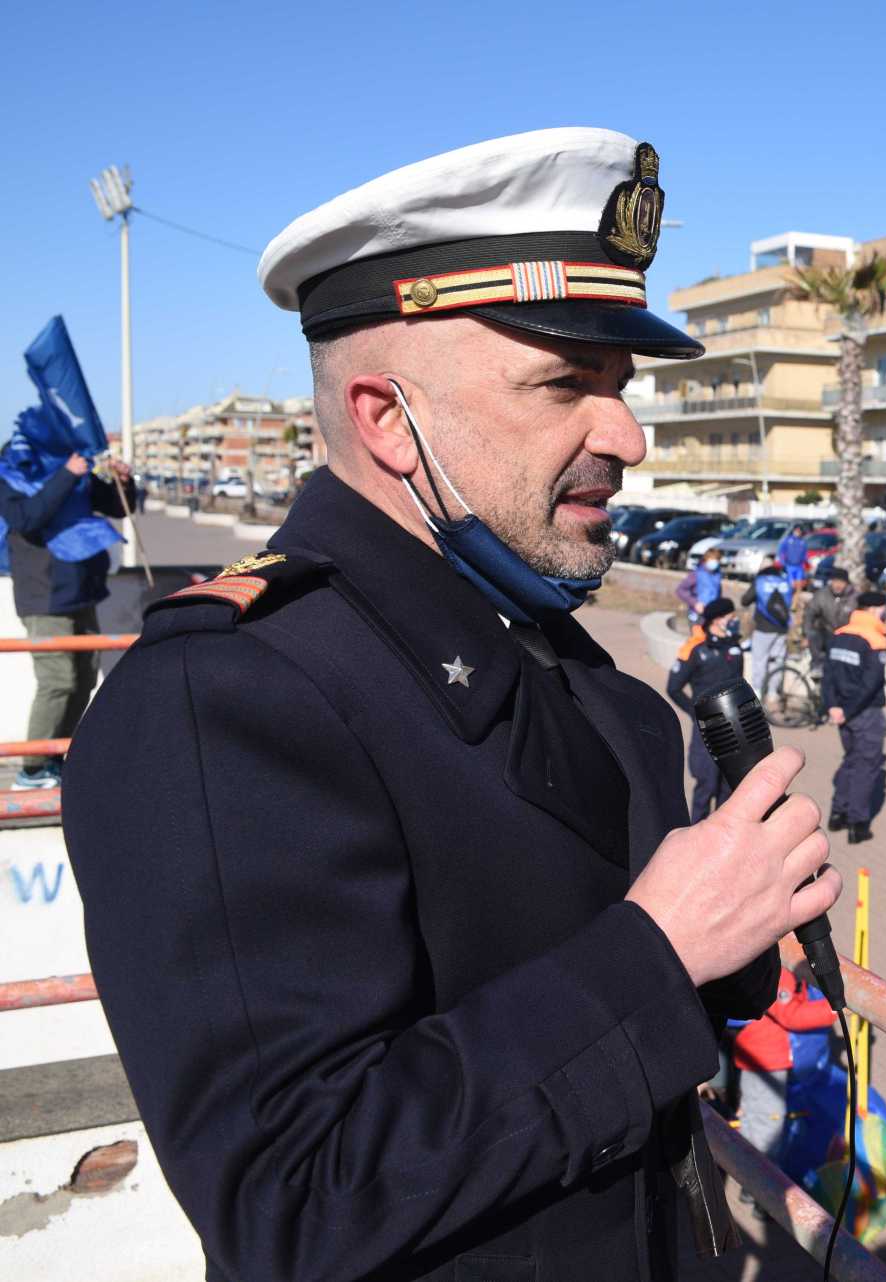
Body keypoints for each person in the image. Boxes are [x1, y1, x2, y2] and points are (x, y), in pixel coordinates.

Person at [61, 130, 840, 1281]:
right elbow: (289, 1196)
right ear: (386, 418)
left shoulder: (570, 664)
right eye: (563, 384)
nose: (626, 437)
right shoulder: (219, 696)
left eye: (619, 387)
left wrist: (732, 928)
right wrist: (659, 948)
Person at [0, 449, 134, 789]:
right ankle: (31, 770)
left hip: (81, 592)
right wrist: (67, 474)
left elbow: (119, 506)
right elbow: (26, 518)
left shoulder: (70, 467)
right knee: (57, 681)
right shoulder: (12, 474)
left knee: (85, 679)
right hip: (43, 595)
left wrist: (123, 481)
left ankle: (56, 760)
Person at [730, 963, 836, 1178]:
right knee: (768, 1125)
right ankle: (760, 1186)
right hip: (766, 1062)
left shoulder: (771, 965)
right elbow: (791, 1015)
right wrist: (832, 1008)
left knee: (754, 1118)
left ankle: (746, 1174)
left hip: (759, 1057)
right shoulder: (776, 972)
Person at [667, 598, 747, 819]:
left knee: (729, 789)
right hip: (708, 728)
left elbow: (738, 684)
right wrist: (696, 713)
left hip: (733, 727)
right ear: (717, 620)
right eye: (730, 617)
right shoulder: (695, 648)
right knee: (707, 785)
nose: (734, 621)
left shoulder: (734, 646)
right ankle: (696, 835)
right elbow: (673, 688)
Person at [824, 590, 886, 844]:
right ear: (874, 610)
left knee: (850, 760)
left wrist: (833, 707)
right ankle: (857, 823)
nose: (884, 613)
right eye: (883, 609)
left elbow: (827, 677)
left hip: (842, 713)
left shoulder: (839, 635)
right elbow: (871, 685)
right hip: (865, 712)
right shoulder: (876, 640)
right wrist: (848, 710)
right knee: (867, 766)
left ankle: (837, 813)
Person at [748, 555, 792, 694]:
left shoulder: (760, 581)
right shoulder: (785, 581)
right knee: (777, 661)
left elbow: (745, 600)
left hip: (763, 629)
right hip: (781, 629)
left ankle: (758, 691)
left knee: (760, 660)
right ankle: (773, 693)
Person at [805, 565, 855, 676]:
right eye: (835, 581)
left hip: (846, 636)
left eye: (841, 582)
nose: (838, 585)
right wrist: (807, 632)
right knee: (814, 635)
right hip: (827, 632)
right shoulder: (822, 595)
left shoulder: (853, 598)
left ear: (847, 583)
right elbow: (810, 613)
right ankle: (817, 666)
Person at [677, 547, 724, 627]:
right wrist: (695, 603)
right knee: (698, 638)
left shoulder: (717, 575)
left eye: (717, 560)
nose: (715, 562)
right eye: (712, 559)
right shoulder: (696, 574)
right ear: (706, 559)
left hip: (711, 614)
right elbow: (680, 590)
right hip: (696, 614)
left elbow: (718, 594)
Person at [777, 524, 809, 590]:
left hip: (799, 566)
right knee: (790, 583)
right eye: (796, 531)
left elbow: (805, 553)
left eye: (799, 531)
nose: (797, 532)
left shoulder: (802, 541)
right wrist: (782, 562)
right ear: (793, 531)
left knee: (799, 584)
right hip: (789, 565)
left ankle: (797, 596)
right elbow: (781, 551)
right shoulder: (787, 540)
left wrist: (805, 561)